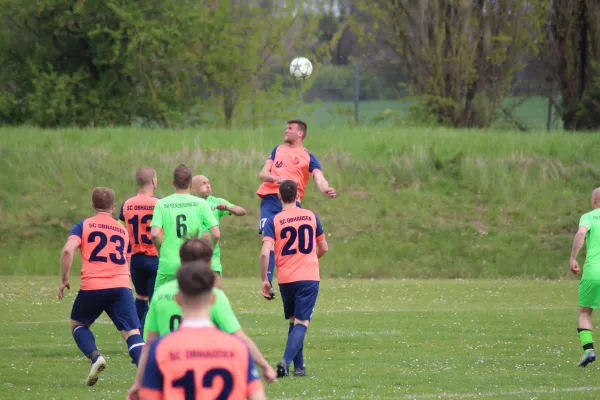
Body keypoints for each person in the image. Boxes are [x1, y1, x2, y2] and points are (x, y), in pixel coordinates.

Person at [127, 238, 276, 400]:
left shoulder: (161, 302)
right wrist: (265, 365)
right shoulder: (236, 348)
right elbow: (239, 336)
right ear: (211, 299)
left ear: (178, 299)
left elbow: (148, 345)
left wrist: (138, 383)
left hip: (171, 361)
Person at [58, 187, 144, 386]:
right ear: (113, 207)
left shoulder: (83, 226)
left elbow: (68, 251)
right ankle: (148, 378)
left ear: (93, 204)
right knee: (132, 334)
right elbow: (127, 261)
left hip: (93, 285)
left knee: (78, 324)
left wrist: (64, 279)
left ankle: (96, 357)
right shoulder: (122, 230)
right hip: (121, 285)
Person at [256, 120, 335, 300]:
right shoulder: (278, 150)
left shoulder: (309, 157)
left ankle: (297, 275)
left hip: (292, 202)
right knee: (268, 240)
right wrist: (277, 178)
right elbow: (263, 174)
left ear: (300, 133)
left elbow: (319, 178)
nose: (286, 130)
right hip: (270, 199)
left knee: (290, 243)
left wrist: (325, 188)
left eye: (290, 128)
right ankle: (267, 282)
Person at [260, 180, 328, 377]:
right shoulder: (311, 216)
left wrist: (265, 279)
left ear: (279, 196)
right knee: (302, 322)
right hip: (308, 276)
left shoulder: (275, 220)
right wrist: (310, 258)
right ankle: (285, 361)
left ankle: (299, 368)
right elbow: (323, 247)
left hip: (286, 278)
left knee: (294, 321)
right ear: (298, 195)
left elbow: (265, 253)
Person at [150, 164, 220, 292]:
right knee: (194, 305)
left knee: (160, 303)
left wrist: (160, 249)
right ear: (191, 184)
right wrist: (207, 252)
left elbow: (154, 234)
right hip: (193, 264)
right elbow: (216, 234)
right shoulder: (201, 204)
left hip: (168, 263)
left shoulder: (162, 204)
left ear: (173, 182)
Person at [119, 166, 160, 334]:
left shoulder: (127, 204)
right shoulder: (159, 203)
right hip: (154, 257)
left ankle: (135, 337)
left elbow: (121, 230)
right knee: (155, 301)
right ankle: (146, 336)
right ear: (153, 181)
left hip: (135, 258)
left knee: (141, 296)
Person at [191, 174, 247, 287]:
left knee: (216, 290)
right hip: (192, 253)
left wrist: (228, 208)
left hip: (212, 253)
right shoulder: (189, 203)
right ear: (194, 188)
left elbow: (242, 211)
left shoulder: (217, 202)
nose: (208, 186)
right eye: (204, 183)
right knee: (195, 291)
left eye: (209, 183)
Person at [570, 187, 600, 367]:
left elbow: (581, 233)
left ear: (594, 201)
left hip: (593, 272)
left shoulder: (589, 216)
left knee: (585, 311)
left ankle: (588, 351)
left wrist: (573, 257)